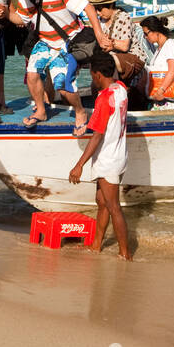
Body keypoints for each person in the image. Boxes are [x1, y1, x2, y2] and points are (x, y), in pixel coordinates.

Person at [10, 0, 112, 132]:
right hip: (45, 42)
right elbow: (23, 19)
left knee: (63, 85)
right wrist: (5, 12)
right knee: (32, 73)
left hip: (67, 41)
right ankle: (41, 111)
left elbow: (88, 7)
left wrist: (100, 35)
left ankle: (80, 113)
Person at [67, 51, 132, 260]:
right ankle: (96, 245)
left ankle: (125, 253)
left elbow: (96, 137)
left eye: (92, 74)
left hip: (108, 159)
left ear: (96, 75)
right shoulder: (120, 89)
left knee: (113, 207)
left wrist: (79, 165)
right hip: (119, 154)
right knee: (101, 201)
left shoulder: (104, 99)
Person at [84, 0, 150, 97]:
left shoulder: (123, 17)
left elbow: (125, 46)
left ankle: (112, 96)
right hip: (113, 59)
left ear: (110, 5)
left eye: (100, 9)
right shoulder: (100, 21)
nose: (98, 13)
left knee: (109, 62)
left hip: (133, 58)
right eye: (96, 9)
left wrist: (112, 44)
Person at [141, 15, 174, 108]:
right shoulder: (160, 48)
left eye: (146, 34)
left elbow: (173, 70)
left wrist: (161, 90)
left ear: (155, 31)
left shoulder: (170, 46)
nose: (145, 37)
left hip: (172, 105)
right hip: (163, 101)